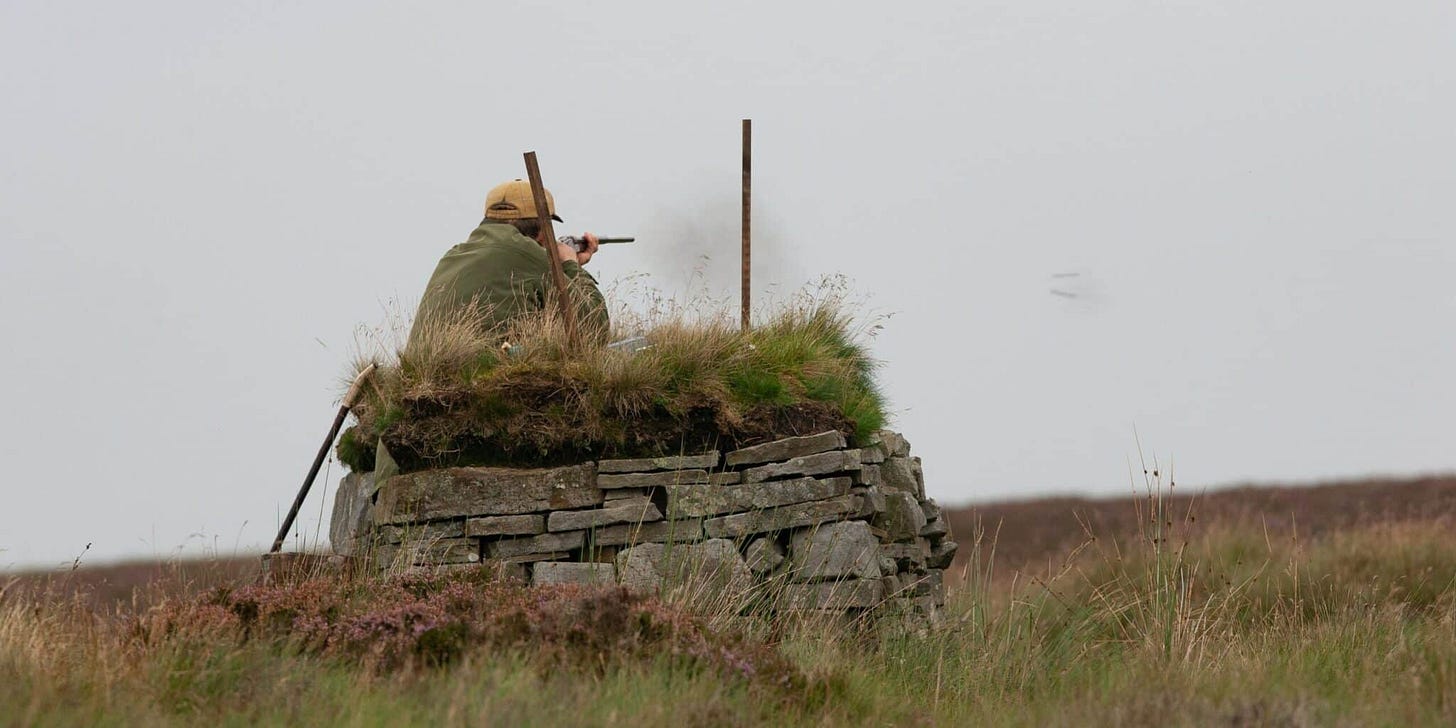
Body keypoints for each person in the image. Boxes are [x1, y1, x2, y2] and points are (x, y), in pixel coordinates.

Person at [408, 180, 610, 347]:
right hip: (487, 378)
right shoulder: (529, 253)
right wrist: (569, 264)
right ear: (542, 231)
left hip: (426, 375)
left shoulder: (454, 254)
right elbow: (594, 328)